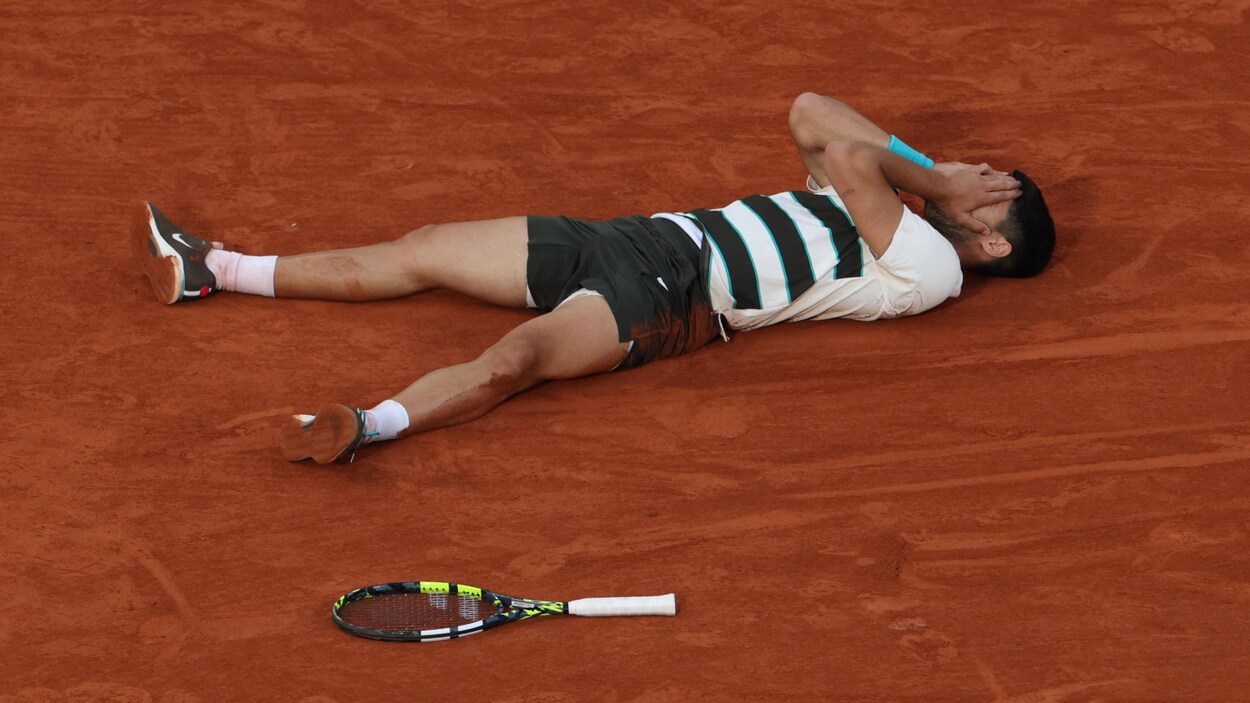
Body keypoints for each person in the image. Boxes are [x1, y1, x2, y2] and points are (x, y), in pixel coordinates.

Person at [135, 92, 1055, 464]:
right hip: (634, 239)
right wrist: (934, 175)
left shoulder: (932, 264)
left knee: (515, 359)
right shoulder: (893, 204)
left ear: (993, 244)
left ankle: (366, 425)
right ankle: (213, 270)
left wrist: (935, 184)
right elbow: (811, 110)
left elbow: (853, 150)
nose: (967, 176)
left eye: (988, 191)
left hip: (674, 297)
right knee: (422, 247)